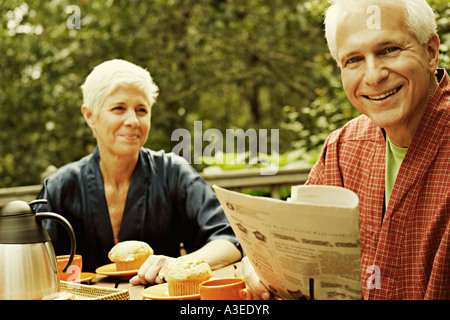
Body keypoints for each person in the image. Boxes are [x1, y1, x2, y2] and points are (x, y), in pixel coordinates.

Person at [236, 0, 450, 300]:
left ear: (430, 52)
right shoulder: (343, 147)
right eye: (353, 60)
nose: (373, 76)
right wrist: (262, 266)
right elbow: (294, 254)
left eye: (389, 50)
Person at [36, 59, 242, 285]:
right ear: (90, 116)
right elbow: (34, 261)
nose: (133, 121)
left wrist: (177, 265)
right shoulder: (59, 187)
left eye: (141, 110)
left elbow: (229, 241)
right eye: (119, 108)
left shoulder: (173, 172)